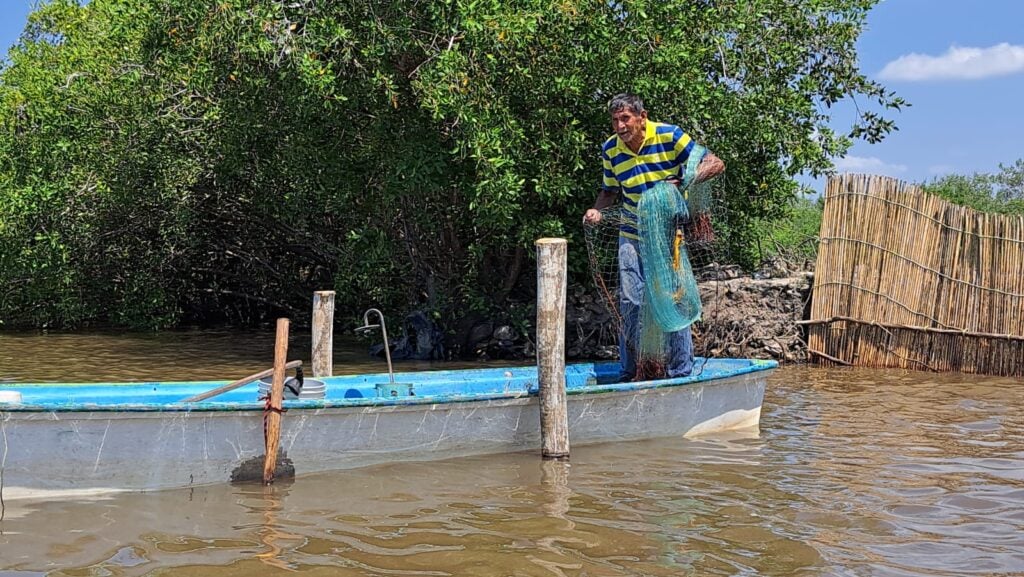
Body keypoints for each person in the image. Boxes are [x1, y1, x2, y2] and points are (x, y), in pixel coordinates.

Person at [583, 93, 724, 381]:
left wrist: (683, 180)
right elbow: (609, 191)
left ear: (642, 117)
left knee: (672, 299)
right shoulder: (610, 149)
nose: (620, 126)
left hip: (667, 235)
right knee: (631, 300)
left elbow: (715, 163)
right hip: (631, 231)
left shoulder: (669, 135)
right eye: (615, 120)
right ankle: (631, 371)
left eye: (626, 119)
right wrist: (596, 211)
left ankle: (680, 371)